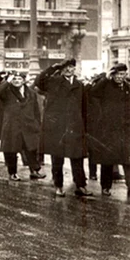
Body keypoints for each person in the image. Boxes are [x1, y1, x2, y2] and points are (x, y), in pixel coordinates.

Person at [35, 58, 91, 197]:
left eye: (71, 67)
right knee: (57, 158)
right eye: (65, 67)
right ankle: (58, 185)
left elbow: (84, 107)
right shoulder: (53, 82)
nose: (68, 70)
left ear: (75, 69)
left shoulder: (79, 85)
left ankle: (80, 185)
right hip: (57, 127)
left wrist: (84, 125)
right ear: (61, 69)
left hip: (75, 126)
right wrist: (53, 68)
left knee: (77, 157)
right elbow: (39, 81)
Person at [88, 64, 130, 197]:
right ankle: (106, 187)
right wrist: (106, 79)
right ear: (113, 75)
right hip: (109, 129)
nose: (120, 77)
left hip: (126, 130)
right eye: (118, 74)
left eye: (123, 74)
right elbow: (93, 92)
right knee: (107, 160)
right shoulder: (105, 86)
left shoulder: (128, 88)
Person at [0, 71, 46, 180]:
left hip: (29, 125)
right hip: (12, 125)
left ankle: (34, 171)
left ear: (24, 80)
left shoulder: (31, 93)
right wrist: (7, 81)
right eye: (14, 79)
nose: (17, 81)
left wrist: (37, 123)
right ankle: (12, 173)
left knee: (31, 149)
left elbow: (36, 109)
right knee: (11, 150)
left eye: (19, 79)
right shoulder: (7, 92)